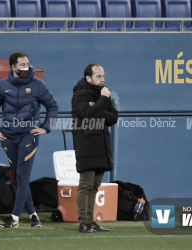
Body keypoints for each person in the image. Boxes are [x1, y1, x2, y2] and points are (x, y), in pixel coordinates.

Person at [0, 52, 58, 228]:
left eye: (28, 63)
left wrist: (46, 127)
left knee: (23, 177)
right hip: (8, 137)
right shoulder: (1, 86)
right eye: (22, 64)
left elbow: (53, 106)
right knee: (18, 178)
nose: (26, 66)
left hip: (28, 136)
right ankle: (34, 216)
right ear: (13, 67)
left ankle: (15, 219)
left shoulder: (38, 85)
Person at [71, 64, 118, 233]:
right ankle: (84, 222)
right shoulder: (79, 95)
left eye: (103, 76)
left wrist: (98, 107)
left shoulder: (102, 94)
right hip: (86, 146)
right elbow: (89, 115)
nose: (103, 79)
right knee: (85, 185)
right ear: (88, 78)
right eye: (98, 76)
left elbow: (113, 117)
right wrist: (102, 102)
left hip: (101, 146)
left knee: (94, 186)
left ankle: (91, 222)